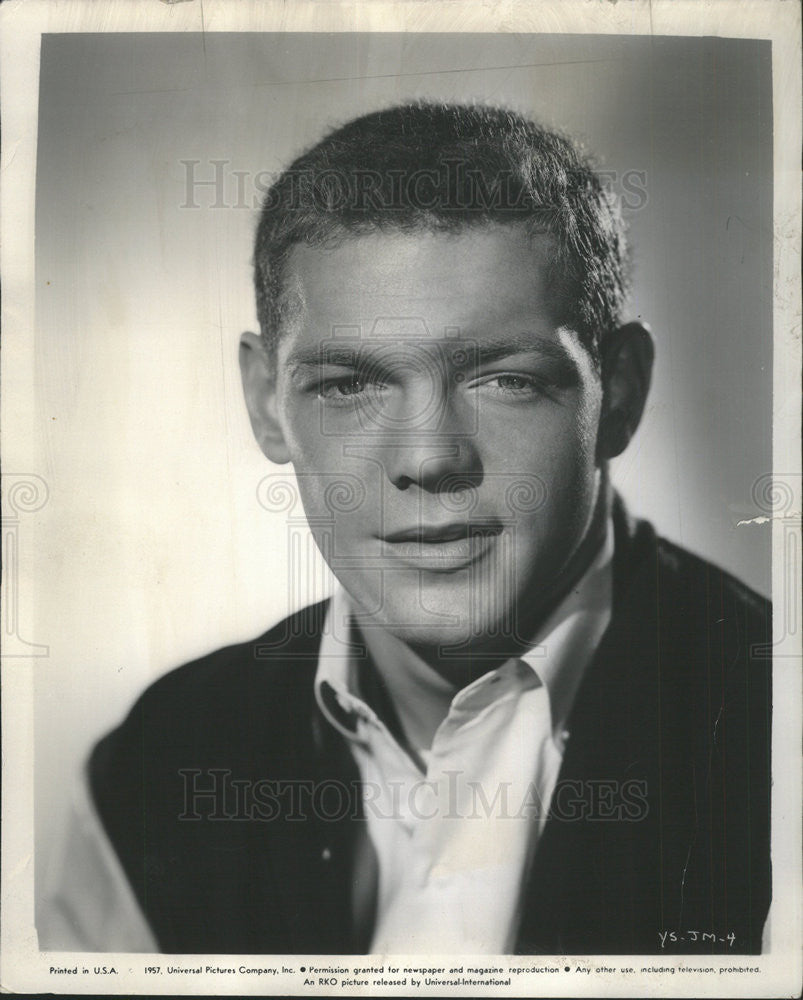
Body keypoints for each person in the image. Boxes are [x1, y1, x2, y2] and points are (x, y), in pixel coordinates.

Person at [41, 102, 771, 955]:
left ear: (620, 392)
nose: (428, 459)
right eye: (350, 384)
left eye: (505, 380)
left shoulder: (774, 738)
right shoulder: (157, 763)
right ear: (265, 403)